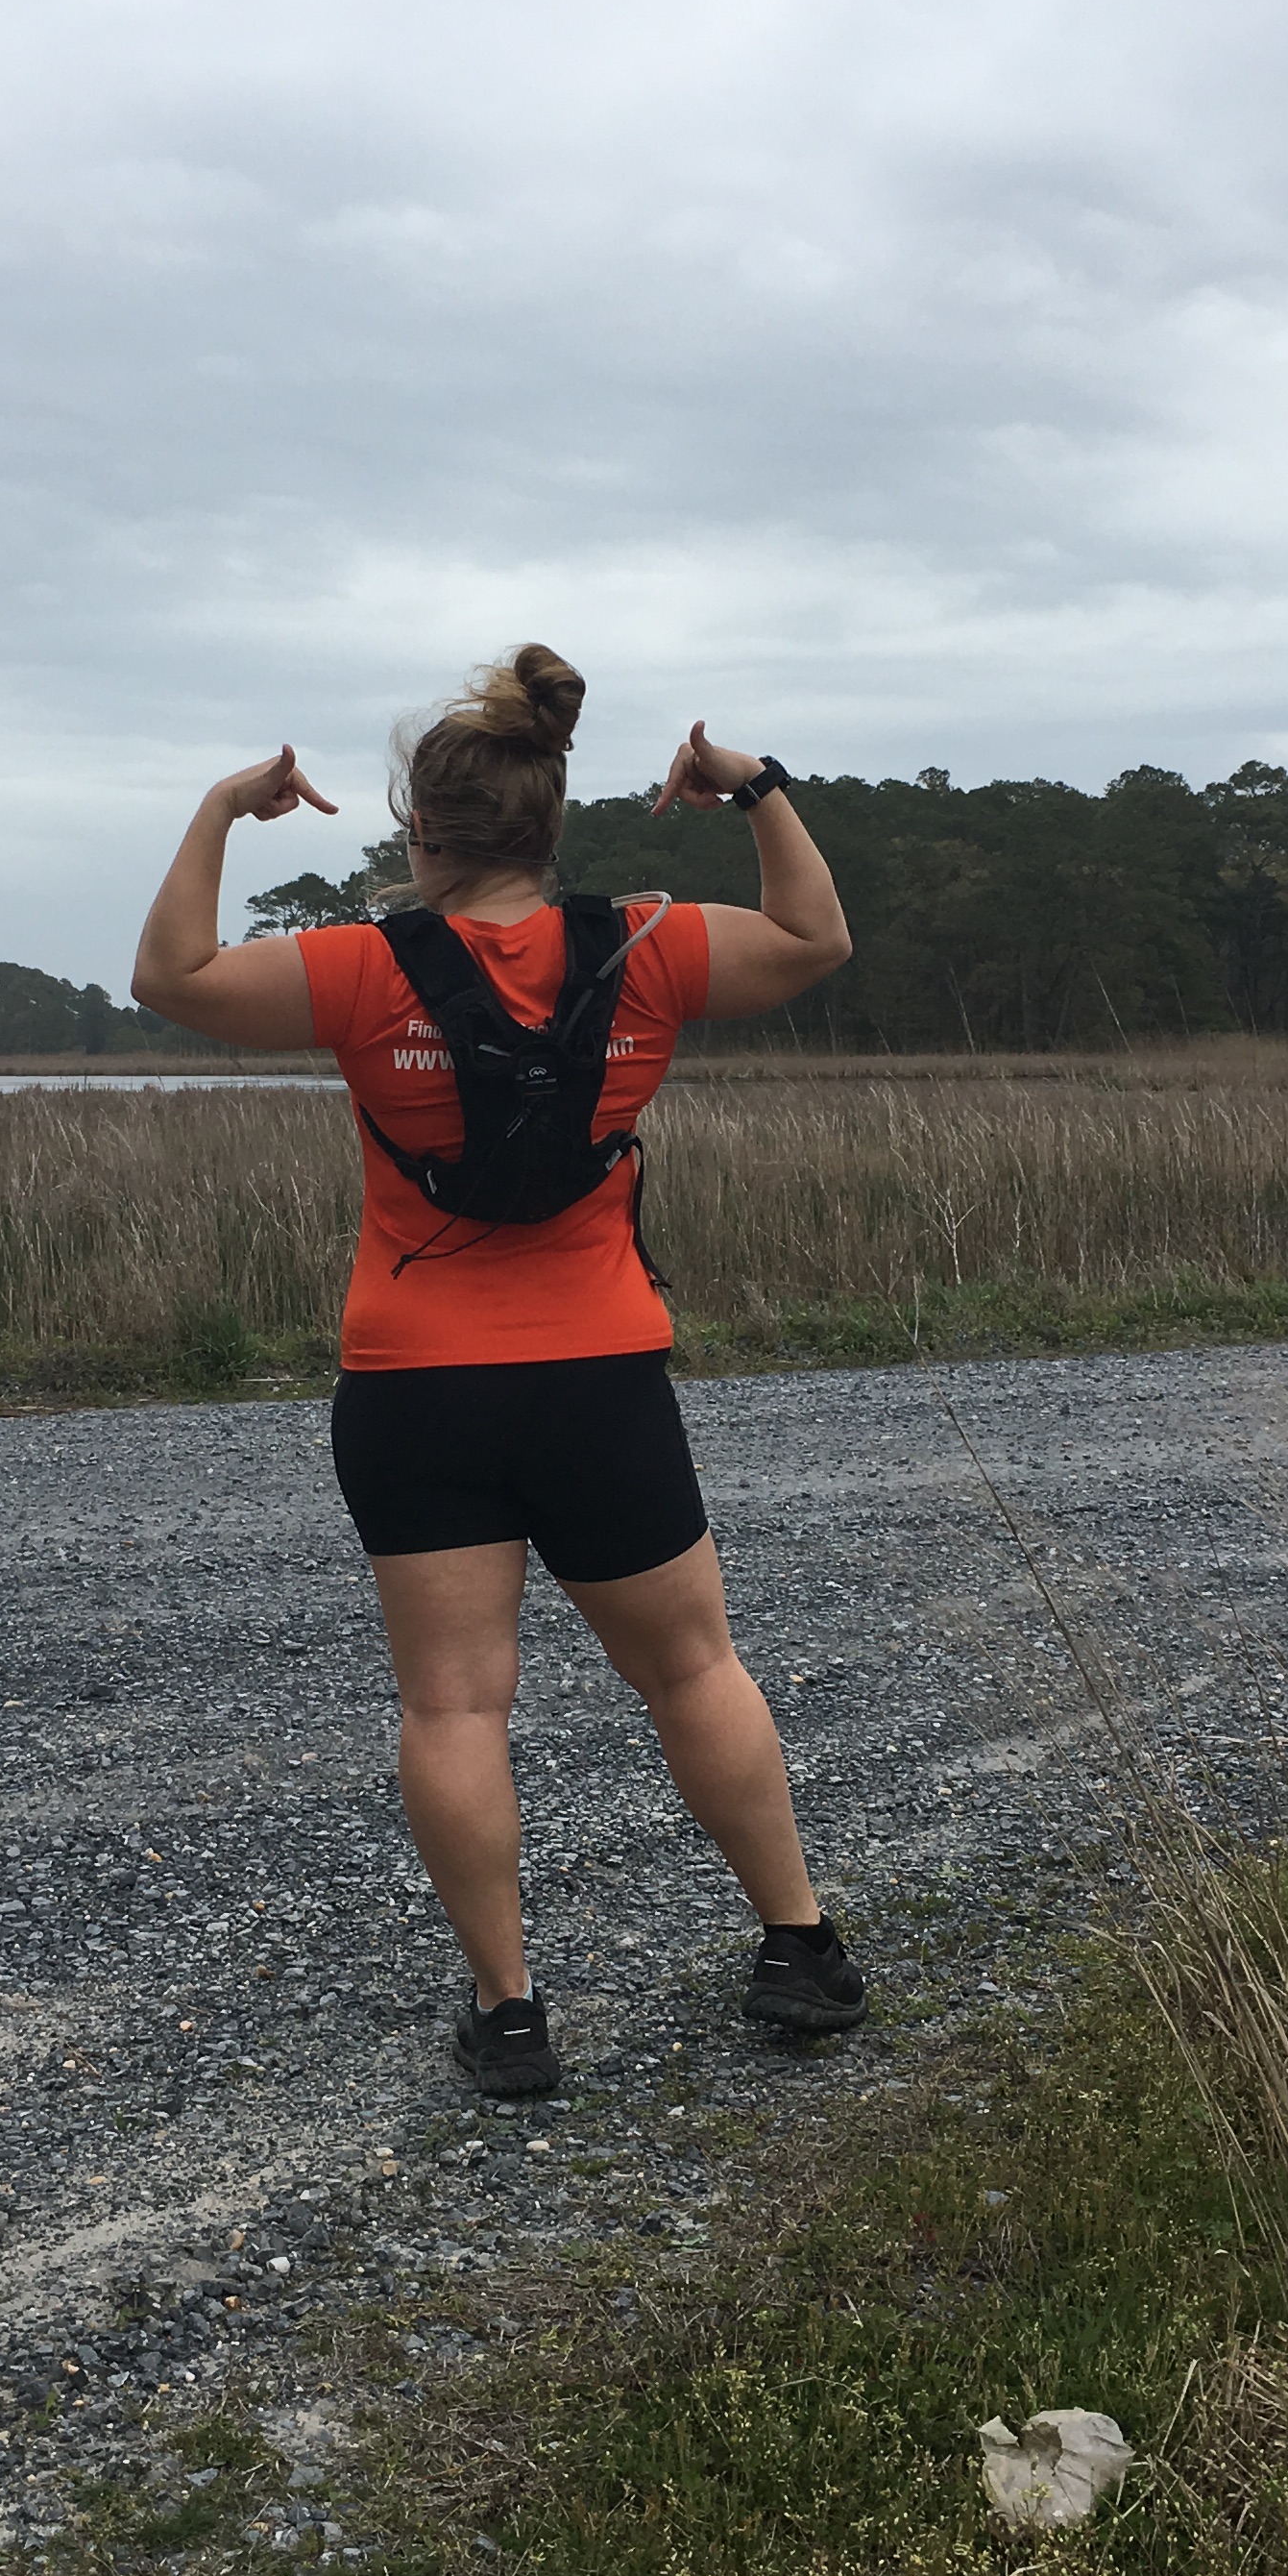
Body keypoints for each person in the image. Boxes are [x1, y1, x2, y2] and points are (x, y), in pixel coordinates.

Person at [131, 643, 867, 2098]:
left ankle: (512, 2013)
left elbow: (174, 977)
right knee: (691, 1667)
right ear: (550, 829)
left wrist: (222, 811)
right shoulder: (649, 944)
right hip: (600, 1378)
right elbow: (815, 941)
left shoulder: (357, 969)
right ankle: (797, 1947)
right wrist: (756, 787)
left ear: (423, 835)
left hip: (415, 1386)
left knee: (458, 1705)